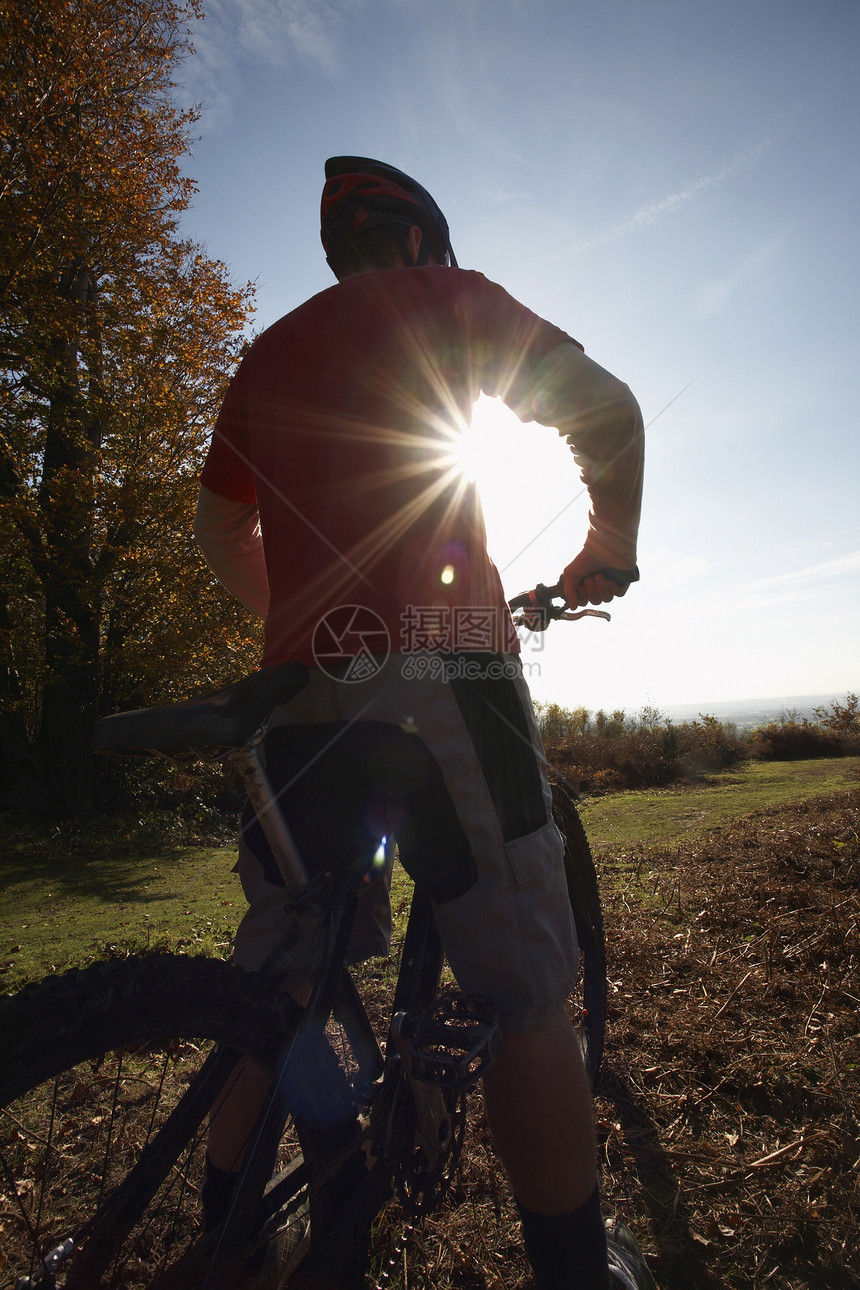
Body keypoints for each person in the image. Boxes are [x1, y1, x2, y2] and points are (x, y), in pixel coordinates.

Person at [195, 156, 652, 1290]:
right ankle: (574, 1272)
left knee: (281, 987)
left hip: (298, 692)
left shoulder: (266, 353)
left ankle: (233, 1241)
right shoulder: (445, 301)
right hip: (450, 663)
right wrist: (607, 551)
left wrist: (307, 627)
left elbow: (217, 537)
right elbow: (605, 412)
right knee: (527, 997)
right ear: (418, 242)